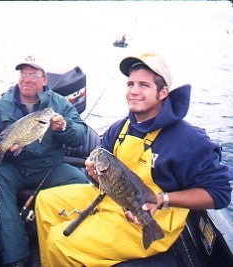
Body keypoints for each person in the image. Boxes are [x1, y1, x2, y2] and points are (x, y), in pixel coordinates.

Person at [34, 52, 232, 266]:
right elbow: (105, 180)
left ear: (163, 92)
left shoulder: (189, 140)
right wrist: (94, 175)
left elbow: (219, 194)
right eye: (130, 84)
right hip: (112, 200)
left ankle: (64, 255)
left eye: (144, 85)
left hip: (149, 220)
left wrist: (162, 199)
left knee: (59, 242)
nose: (134, 91)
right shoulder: (120, 128)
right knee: (45, 201)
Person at [0, 55, 90, 266]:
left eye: (33, 74)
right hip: (13, 166)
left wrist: (63, 128)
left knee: (81, 183)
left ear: (44, 80)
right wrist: (2, 145)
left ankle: (72, 248)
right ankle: (16, 258)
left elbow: (80, 134)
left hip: (49, 167)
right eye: (23, 74)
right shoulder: (2, 104)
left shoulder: (58, 103)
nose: (26, 79)